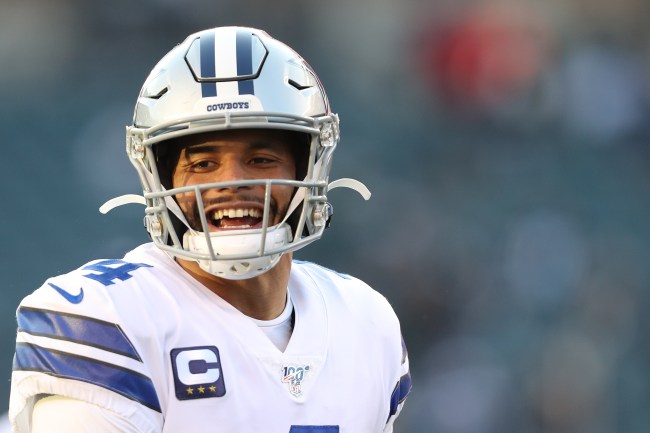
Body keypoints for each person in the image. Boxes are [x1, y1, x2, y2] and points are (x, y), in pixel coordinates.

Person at [8, 26, 411, 432]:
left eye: (261, 159)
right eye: (202, 164)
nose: (231, 181)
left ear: (309, 169)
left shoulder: (365, 320)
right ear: (160, 178)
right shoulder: (105, 318)